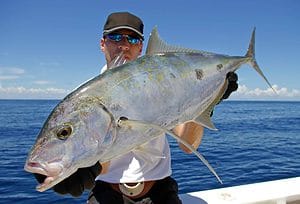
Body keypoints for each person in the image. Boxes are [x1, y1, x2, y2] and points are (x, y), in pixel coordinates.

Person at [34, 12, 238, 204]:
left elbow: (187, 145)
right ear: (102, 43)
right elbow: (100, 150)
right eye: (116, 37)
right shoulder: (84, 99)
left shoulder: (164, 82)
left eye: (132, 39)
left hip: (161, 192)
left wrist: (207, 102)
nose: (124, 45)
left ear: (141, 47)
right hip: (107, 194)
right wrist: (79, 167)